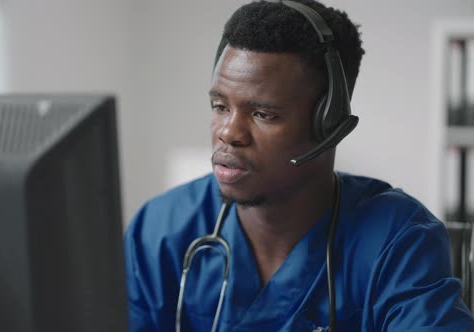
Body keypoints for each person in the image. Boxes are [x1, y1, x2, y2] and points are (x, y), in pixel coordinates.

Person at [124, 0, 474, 331]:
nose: (229, 132)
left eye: (263, 114)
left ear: (329, 123)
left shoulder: (397, 239)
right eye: (220, 106)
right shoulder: (160, 231)